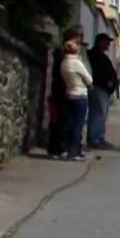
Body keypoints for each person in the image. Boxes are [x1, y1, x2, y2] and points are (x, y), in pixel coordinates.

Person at [47, 25, 84, 158]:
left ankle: (59, 148)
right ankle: (58, 148)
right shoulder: (65, 55)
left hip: (63, 89)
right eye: (77, 38)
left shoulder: (62, 54)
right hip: (63, 90)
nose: (79, 41)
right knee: (61, 121)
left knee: (63, 121)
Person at [60, 38, 94, 161]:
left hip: (69, 94)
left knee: (70, 123)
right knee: (78, 124)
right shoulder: (77, 63)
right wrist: (89, 86)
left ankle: (69, 149)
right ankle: (75, 151)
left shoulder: (64, 62)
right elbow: (89, 79)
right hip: (80, 95)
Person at [86, 33, 117, 150]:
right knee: (98, 114)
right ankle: (95, 139)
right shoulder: (95, 56)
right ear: (100, 42)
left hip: (104, 89)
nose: (108, 44)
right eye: (106, 42)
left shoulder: (101, 56)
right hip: (99, 88)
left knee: (101, 114)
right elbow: (97, 73)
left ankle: (99, 138)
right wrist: (107, 82)